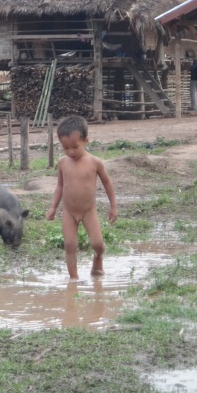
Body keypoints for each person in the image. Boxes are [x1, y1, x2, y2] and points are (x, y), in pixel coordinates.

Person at [46, 115, 118, 279]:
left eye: (74, 147)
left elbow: (107, 182)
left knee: (98, 244)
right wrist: (53, 207)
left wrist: (113, 206)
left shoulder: (95, 162)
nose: (70, 151)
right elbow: (59, 186)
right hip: (69, 211)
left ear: (86, 141)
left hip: (88, 211)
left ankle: (98, 258)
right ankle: (73, 279)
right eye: (65, 148)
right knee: (70, 245)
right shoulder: (63, 163)